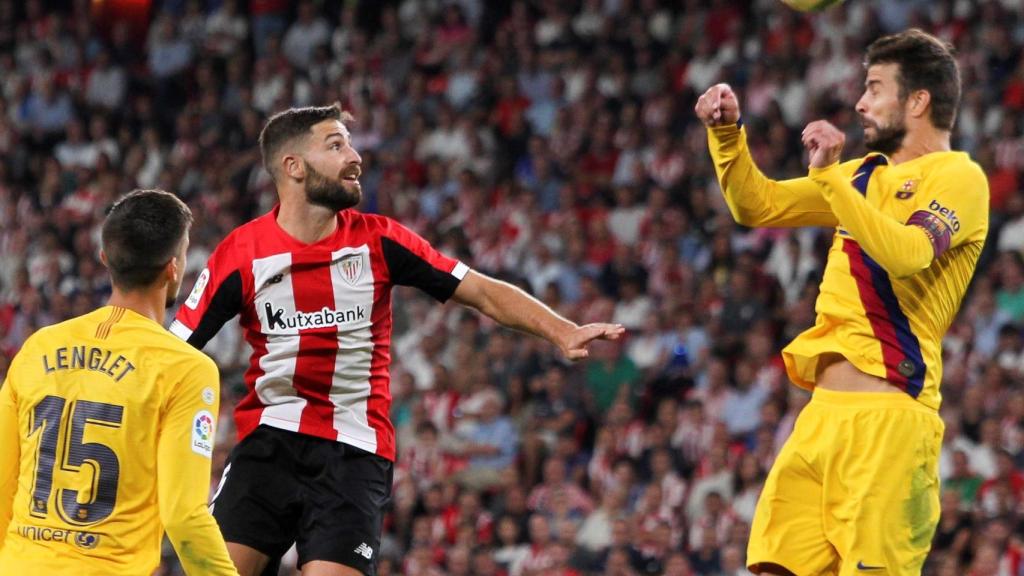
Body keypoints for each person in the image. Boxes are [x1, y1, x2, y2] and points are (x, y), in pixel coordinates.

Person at [170, 104, 623, 576]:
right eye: (336, 145)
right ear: (294, 167)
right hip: (269, 444)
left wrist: (562, 330)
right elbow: (175, 347)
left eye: (350, 144)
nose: (355, 156)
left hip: (354, 454)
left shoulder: (380, 240)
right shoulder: (242, 252)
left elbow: (482, 292)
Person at [695, 29, 988, 576]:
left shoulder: (960, 178)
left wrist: (831, 180)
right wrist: (727, 136)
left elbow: (908, 253)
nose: (859, 102)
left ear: (918, 100)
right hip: (820, 418)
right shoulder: (861, 175)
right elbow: (758, 206)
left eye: (875, 88)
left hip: (890, 422)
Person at [0, 190, 236, 574]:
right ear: (174, 267)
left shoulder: (38, 348)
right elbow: (183, 517)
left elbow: (2, 481)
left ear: (104, 258)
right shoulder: (185, 369)